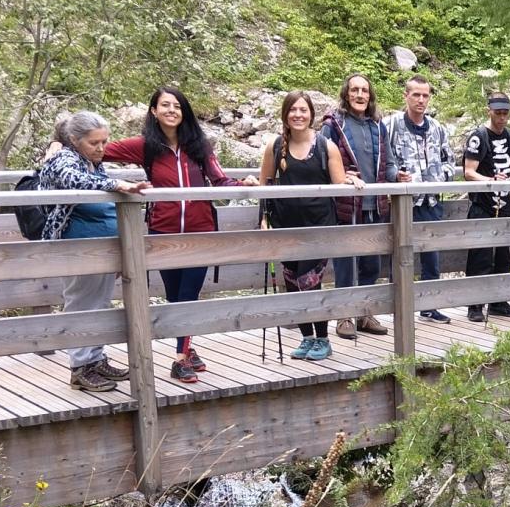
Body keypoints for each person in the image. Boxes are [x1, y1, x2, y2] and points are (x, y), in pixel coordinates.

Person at [102, 86, 258, 383]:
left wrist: (243, 183)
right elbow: (98, 149)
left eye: (177, 106)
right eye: (165, 105)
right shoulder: (145, 146)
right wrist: (63, 145)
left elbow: (220, 180)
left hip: (200, 231)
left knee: (188, 295)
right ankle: (188, 346)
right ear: (154, 111)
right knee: (175, 295)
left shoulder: (200, 146)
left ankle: (180, 358)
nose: (172, 110)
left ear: (183, 111)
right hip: (164, 230)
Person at [36, 112, 150, 392]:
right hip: (78, 248)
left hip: (102, 246)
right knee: (81, 303)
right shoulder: (64, 159)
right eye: (94, 142)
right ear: (74, 140)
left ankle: (95, 359)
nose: (101, 148)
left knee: (98, 302)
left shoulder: (90, 162)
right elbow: (73, 181)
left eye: (104, 142)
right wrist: (116, 184)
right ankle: (80, 368)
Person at [257, 91, 364, 361]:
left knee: (309, 281)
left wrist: (351, 181)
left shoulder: (325, 146)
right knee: (293, 282)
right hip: (286, 226)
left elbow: (339, 182)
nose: (298, 115)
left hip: (319, 226)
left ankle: (323, 338)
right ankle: (307, 337)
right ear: (285, 114)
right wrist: (264, 219)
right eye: (293, 110)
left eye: (303, 110)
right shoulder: (274, 146)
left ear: (311, 114)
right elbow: (265, 185)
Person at [320, 74, 393, 340]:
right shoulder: (333, 125)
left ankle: (364, 312)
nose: (360, 95)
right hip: (347, 206)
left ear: (370, 96)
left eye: (364, 90)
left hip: (375, 205)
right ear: (346, 94)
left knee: (371, 264)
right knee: (346, 263)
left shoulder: (377, 126)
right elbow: (321, 161)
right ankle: (344, 316)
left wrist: (400, 177)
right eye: (355, 90)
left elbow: (389, 162)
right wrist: (343, 177)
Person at [387, 75, 456, 324]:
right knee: (400, 255)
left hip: (431, 202)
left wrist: (439, 179)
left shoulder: (438, 129)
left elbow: (451, 162)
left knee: (432, 256)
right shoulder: (391, 125)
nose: (421, 100)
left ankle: (429, 305)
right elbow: (384, 161)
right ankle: (399, 305)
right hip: (402, 202)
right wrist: (396, 176)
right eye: (416, 94)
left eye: (425, 95)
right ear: (406, 95)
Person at [461, 92, 510, 323]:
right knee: (480, 256)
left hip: (505, 202)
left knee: (503, 256)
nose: (502, 117)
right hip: (482, 204)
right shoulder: (478, 137)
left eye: (505, 113)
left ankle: (499, 302)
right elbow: (469, 172)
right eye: (498, 113)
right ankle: (475, 305)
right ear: (488, 110)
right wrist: (490, 181)